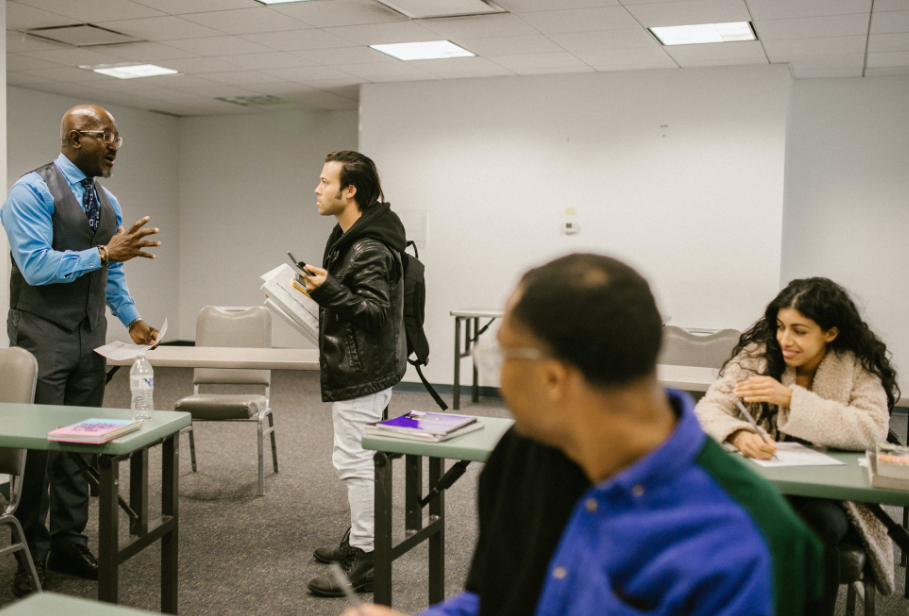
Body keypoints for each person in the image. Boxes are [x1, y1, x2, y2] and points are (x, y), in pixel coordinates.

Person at [344, 253, 823, 616]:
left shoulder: (745, 543)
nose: (497, 377)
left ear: (553, 380)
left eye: (502, 357)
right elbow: (496, 603)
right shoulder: (525, 453)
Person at [0, 104, 161, 597]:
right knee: (38, 452)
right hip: (42, 335)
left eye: (118, 137)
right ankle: (29, 553)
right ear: (74, 139)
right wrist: (104, 252)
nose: (114, 144)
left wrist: (130, 317)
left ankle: (70, 542)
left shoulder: (106, 199)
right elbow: (35, 266)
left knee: (78, 446)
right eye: (104, 135)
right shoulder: (29, 191)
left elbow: (111, 271)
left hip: (90, 339)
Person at [695, 277, 900, 612]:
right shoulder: (757, 356)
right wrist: (736, 434)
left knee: (814, 529)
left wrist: (791, 398)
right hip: (766, 488)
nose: (784, 340)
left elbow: (872, 428)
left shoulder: (855, 364)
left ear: (830, 333)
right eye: (780, 327)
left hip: (834, 498)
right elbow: (709, 409)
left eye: (799, 331)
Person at [301, 151, 407, 597]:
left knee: (353, 460)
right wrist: (327, 290)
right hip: (367, 365)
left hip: (362, 370)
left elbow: (375, 313)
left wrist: (328, 289)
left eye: (325, 182)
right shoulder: (355, 236)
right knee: (359, 458)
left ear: (350, 191)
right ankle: (360, 538)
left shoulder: (366, 247)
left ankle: (366, 558)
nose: (317, 188)